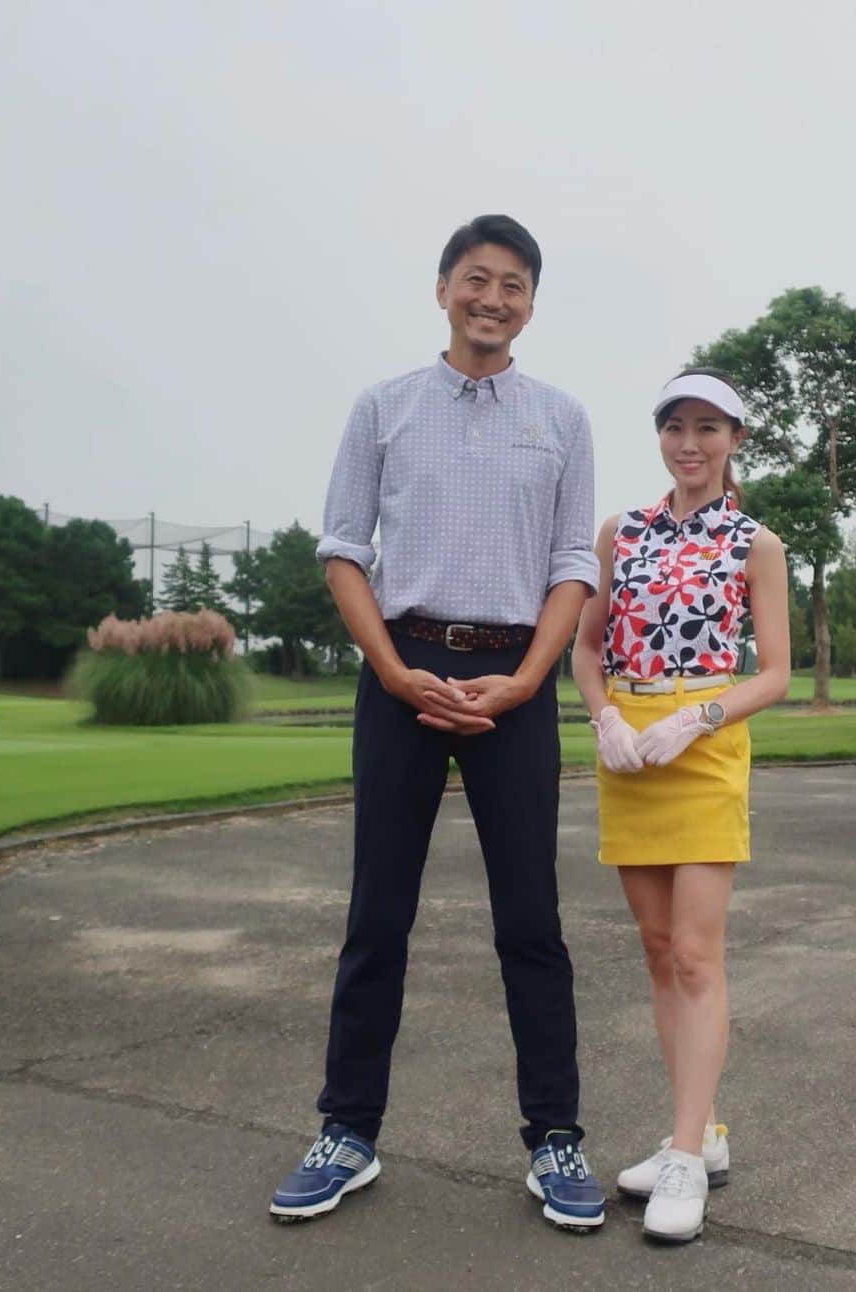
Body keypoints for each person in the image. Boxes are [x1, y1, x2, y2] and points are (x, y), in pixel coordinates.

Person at [269, 215, 606, 1232]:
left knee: (531, 920)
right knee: (377, 913)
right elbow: (343, 547)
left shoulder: (561, 418)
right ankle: (348, 1130)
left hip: (516, 677)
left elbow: (572, 564)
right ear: (444, 288)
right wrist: (393, 670)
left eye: (513, 285)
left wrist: (526, 680)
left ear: (531, 304)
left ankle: (555, 1137)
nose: (492, 298)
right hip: (402, 667)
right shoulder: (384, 407)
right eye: (476, 278)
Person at [571, 367, 790, 1243]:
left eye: (708, 427)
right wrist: (605, 718)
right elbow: (587, 649)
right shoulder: (619, 532)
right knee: (660, 951)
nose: (689, 444)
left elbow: (773, 672)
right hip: (630, 751)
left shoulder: (755, 543)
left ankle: (687, 1157)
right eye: (675, 426)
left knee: (697, 955)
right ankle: (700, 1132)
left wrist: (698, 717)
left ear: (735, 439)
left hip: (703, 747)